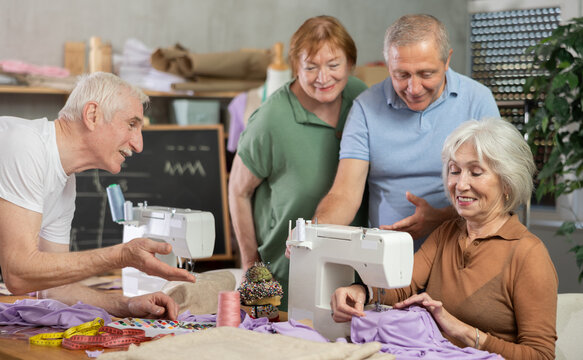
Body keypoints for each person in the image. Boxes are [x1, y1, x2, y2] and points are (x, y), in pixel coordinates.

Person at [331, 118, 558, 359]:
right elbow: (402, 286)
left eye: (476, 172)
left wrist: (463, 331)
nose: (460, 184)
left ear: (507, 183)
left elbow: (541, 355)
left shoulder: (529, 254)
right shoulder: (446, 233)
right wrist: (361, 291)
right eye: (455, 170)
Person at [0, 72, 196, 319]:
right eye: (132, 124)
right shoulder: (25, 145)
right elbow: (18, 274)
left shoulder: (64, 185)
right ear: (92, 115)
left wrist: (126, 305)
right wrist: (121, 256)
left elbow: (54, 288)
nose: (139, 144)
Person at [313, 14, 500, 249]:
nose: (413, 88)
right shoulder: (365, 108)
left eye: (426, 74)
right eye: (401, 75)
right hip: (387, 261)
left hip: (463, 252)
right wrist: (313, 235)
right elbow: (344, 195)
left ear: (447, 60)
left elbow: (498, 192)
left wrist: (441, 219)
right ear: (387, 63)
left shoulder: (478, 101)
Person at [228, 15, 368, 311]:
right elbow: (238, 190)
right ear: (296, 66)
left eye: (334, 65)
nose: (323, 77)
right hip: (284, 280)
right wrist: (251, 267)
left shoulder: (361, 99)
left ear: (350, 64)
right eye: (311, 67)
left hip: (352, 279)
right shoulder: (270, 120)